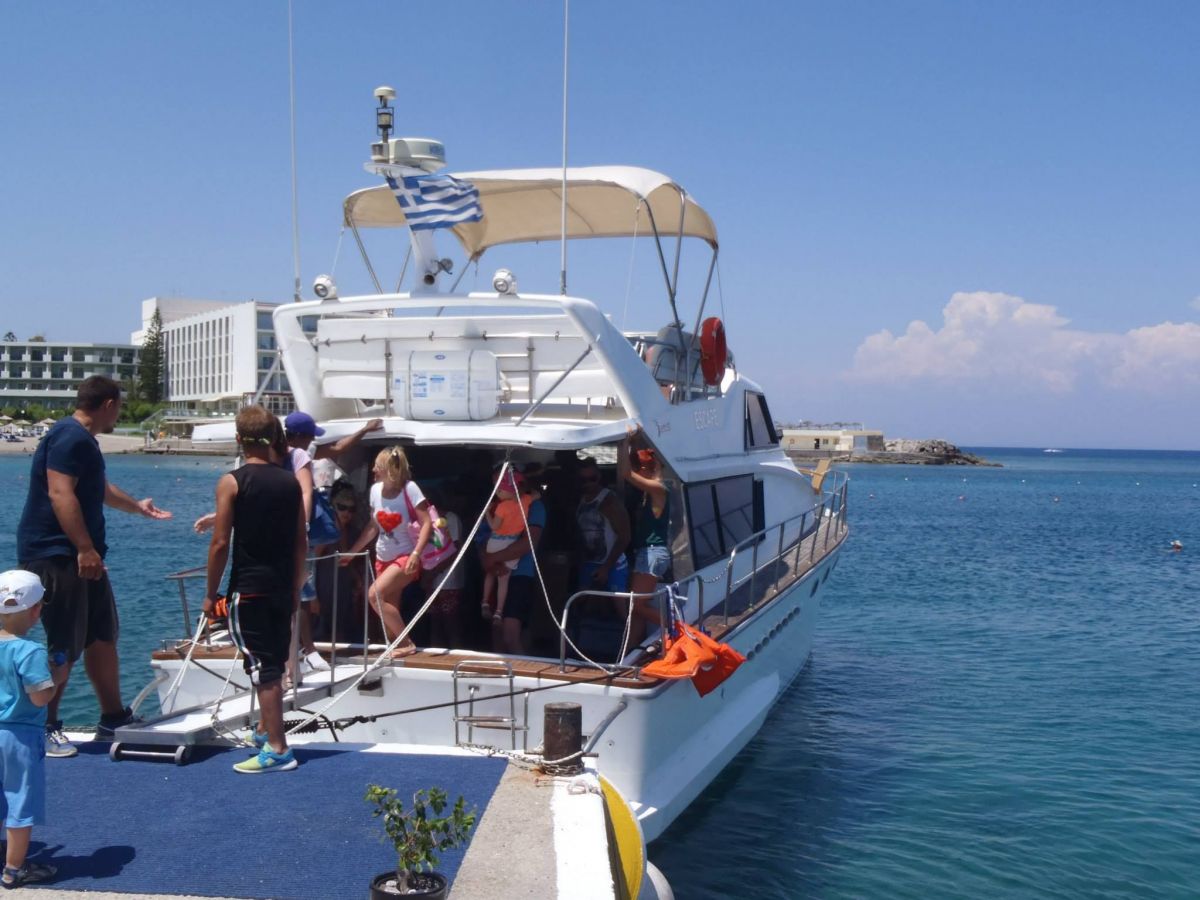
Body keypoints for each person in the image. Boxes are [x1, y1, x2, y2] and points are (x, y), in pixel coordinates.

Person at [16, 375, 172, 759]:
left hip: (86, 558)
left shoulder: (83, 441)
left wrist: (137, 507)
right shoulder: (69, 437)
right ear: (108, 405)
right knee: (65, 643)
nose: (118, 414)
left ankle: (112, 718)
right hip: (58, 554)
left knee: (102, 635)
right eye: (119, 407)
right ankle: (45, 726)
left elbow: (98, 489)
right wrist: (83, 548)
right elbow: (60, 492)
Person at [204, 405, 306, 774]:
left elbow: (220, 543)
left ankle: (278, 748)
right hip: (281, 587)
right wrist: (295, 587)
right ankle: (264, 730)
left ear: (238, 439)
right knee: (272, 660)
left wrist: (210, 593)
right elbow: (300, 542)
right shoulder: (290, 482)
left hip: (249, 590)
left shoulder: (232, 482)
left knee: (263, 668)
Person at [0, 571, 65, 887]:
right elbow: (39, 697)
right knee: (19, 803)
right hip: (20, 738)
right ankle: (13, 870)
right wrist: (56, 677)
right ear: (36, 610)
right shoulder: (31, 651)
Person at [344, 447, 431, 657]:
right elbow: (373, 527)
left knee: (374, 595)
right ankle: (397, 648)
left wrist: (416, 554)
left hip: (406, 556)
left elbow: (427, 522)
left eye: (377, 466)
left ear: (388, 469)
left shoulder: (410, 489)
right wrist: (352, 552)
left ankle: (406, 643)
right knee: (389, 610)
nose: (373, 470)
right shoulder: (375, 490)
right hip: (382, 557)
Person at [479, 467, 546, 655]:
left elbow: (528, 542)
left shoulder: (535, 506)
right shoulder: (498, 505)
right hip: (495, 571)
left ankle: (526, 672)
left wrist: (492, 559)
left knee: (511, 637)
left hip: (520, 575)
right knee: (497, 635)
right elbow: (482, 538)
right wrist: (488, 561)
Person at [619, 429, 671, 647]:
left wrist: (624, 442)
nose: (636, 472)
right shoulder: (653, 492)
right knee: (635, 608)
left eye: (638, 467)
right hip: (647, 553)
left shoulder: (659, 489)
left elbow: (625, 474)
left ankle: (674, 627)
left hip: (652, 553)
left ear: (647, 469)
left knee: (637, 605)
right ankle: (632, 650)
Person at [481, 470, 533, 625]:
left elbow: (494, 526)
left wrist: (486, 513)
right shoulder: (526, 500)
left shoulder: (502, 507)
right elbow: (537, 494)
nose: (497, 492)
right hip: (512, 543)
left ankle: (485, 602)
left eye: (500, 490)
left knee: (490, 573)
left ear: (511, 490)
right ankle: (499, 611)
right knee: (504, 580)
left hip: (496, 542)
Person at [575, 457, 631, 593]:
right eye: (583, 480)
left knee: (618, 604)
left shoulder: (609, 501)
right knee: (582, 601)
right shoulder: (581, 500)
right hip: (589, 563)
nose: (588, 483)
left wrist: (606, 567)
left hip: (613, 565)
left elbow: (625, 537)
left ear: (599, 476)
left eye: (592, 478)